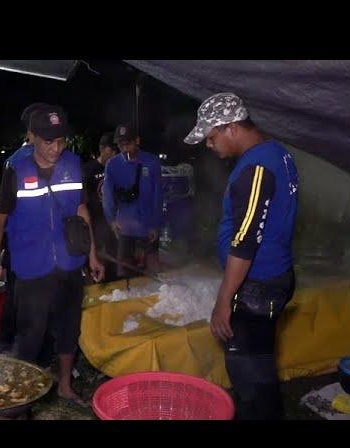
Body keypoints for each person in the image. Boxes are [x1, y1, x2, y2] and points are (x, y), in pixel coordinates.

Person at [184, 92, 299, 420]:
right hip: (272, 279)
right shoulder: (278, 153)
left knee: (249, 377)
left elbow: (245, 240)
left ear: (231, 127)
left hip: (257, 286)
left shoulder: (257, 168)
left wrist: (224, 300)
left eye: (211, 137)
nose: (209, 145)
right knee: (261, 366)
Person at [0, 104, 104, 407]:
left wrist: (92, 255)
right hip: (31, 265)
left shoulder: (73, 165)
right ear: (32, 137)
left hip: (68, 262)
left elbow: (81, 210)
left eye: (61, 141)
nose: (56, 148)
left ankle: (64, 385)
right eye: (49, 141)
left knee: (68, 326)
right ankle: (21, 395)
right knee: (31, 333)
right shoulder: (16, 170)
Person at [0, 102, 50, 354]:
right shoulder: (20, 162)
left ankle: (10, 344)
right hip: (28, 244)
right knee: (28, 299)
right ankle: (27, 351)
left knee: (18, 295)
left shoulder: (17, 160)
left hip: (29, 243)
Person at [102, 124, 163, 277]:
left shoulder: (152, 162)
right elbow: (107, 195)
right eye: (121, 145)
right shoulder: (112, 165)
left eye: (128, 143)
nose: (125, 148)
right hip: (125, 228)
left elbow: (158, 195)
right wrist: (112, 221)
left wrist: (155, 225)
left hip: (148, 226)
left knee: (153, 272)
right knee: (125, 274)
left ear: (137, 141)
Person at [82, 132, 118, 281]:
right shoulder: (88, 169)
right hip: (94, 224)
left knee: (114, 267)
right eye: (112, 149)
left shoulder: (116, 168)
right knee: (97, 266)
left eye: (116, 150)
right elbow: (82, 202)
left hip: (111, 223)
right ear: (102, 148)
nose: (115, 153)